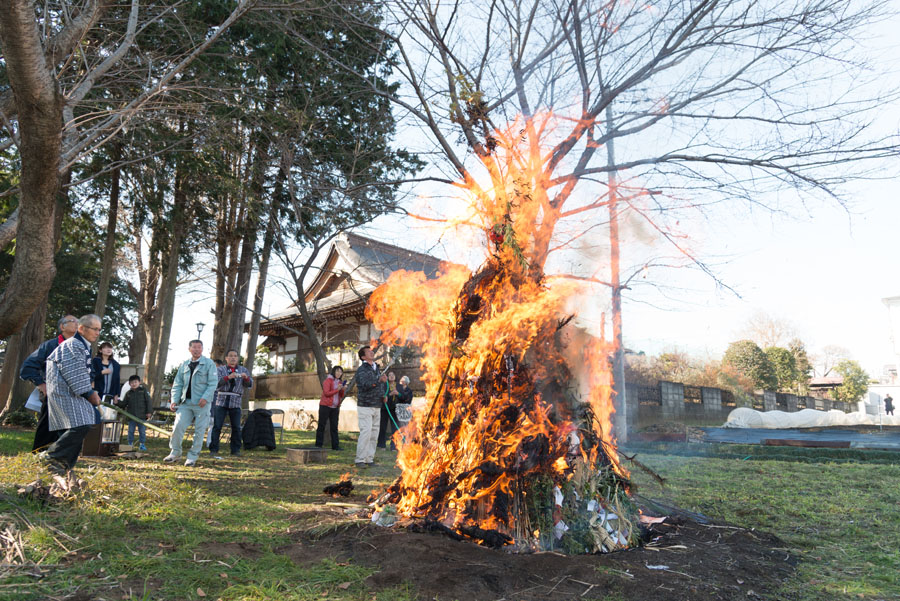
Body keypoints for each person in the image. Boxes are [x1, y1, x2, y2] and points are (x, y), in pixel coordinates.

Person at [38, 315, 103, 475]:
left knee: (74, 428)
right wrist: (88, 392)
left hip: (72, 393)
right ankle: (52, 457)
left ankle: (63, 467)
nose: (97, 333)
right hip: (65, 393)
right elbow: (75, 372)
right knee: (81, 425)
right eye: (95, 329)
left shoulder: (82, 346)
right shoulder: (73, 345)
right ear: (82, 329)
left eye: (99, 330)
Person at [20, 315, 78, 451]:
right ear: (62, 327)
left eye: (79, 322)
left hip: (72, 396)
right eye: (73, 321)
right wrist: (41, 385)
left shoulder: (81, 347)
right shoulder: (50, 346)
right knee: (48, 428)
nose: (77, 324)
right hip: (53, 394)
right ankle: (39, 456)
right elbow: (27, 367)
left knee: (68, 429)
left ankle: (60, 457)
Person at [164, 340, 217, 467]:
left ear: (202, 349)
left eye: (199, 347)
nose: (197, 350)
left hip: (202, 404)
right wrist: (174, 400)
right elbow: (178, 384)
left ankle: (192, 457)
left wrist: (205, 397)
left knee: (199, 431)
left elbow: (213, 383)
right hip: (185, 403)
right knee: (178, 427)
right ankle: (175, 453)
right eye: (194, 347)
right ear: (189, 349)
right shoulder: (184, 365)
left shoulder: (209, 364)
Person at [209, 349, 252, 458]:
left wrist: (246, 378)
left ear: (238, 358)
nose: (233, 358)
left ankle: (235, 450)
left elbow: (249, 384)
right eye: (230, 356)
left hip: (236, 401)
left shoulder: (243, 370)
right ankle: (213, 448)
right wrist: (228, 377)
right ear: (226, 358)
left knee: (236, 427)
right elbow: (216, 384)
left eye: (235, 356)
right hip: (221, 400)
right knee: (217, 426)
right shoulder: (220, 370)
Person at [353, 346, 386, 468]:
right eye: (368, 352)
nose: (372, 352)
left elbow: (379, 385)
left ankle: (369, 459)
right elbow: (365, 385)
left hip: (377, 405)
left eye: (372, 351)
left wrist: (383, 395)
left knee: (374, 433)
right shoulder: (362, 370)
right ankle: (360, 459)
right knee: (366, 432)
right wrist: (379, 380)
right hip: (365, 405)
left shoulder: (376, 368)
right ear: (363, 357)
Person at [118, 375, 152, 450]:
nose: (134, 384)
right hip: (131, 416)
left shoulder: (143, 391)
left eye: (135, 382)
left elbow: (148, 402)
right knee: (130, 431)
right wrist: (117, 402)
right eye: (132, 383)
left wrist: (149, 412)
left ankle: (142, 444)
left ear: (139, 382)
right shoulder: (128, 393)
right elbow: (123, 404)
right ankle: (130, 444)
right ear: (129, 384)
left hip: (142, 416)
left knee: (142, 431)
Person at [316, 365, 346, 451]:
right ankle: (318, 445)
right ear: (333, 372)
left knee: (334, 427)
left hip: (335, 407)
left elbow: (341, 395)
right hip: (325, 406)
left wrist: (342, 389)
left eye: (340, 372)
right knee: (322, 425)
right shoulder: (328, 381)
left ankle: (335, 446)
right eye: (337, 371)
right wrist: (337, 389)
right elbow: (326, 393)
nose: (339, 373)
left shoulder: (340, 382)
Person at [377, 372, 400, 450]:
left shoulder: (398, 385)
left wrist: (398, 394)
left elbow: (403, 396)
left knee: (395, 428)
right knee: (383, 426)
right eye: (390, 375)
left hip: (394, 409)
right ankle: (381, 445)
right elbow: (382, 396)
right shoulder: (384, 385)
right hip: (385, 408)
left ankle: (394, 446)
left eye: (393, 375)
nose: (391, 376)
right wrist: (390, 394)